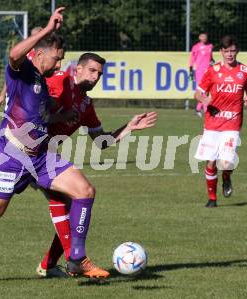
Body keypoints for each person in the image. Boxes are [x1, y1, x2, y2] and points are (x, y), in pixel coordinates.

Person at [0, 7, 110, 285]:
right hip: (11, 156)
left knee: (85, 190)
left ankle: (77, 257)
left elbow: (43, 114)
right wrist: (48, 30)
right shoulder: (22, 71)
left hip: (39, 157)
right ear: (39, 54)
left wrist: (60, 115)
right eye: (57, 59)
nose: (60, 65)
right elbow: (14, 55)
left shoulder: (41, 79)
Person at [35, 52, 158, 277]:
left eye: (99, 74)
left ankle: (51, 264)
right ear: (77, 69)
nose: (95, 77)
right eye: (92, 71)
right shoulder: (58, 81)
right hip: (24, 152)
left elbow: (102, 141)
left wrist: (129, 127)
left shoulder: (85, 104)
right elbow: (34, 108)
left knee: (71, 205)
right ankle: (72, 260)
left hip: (45, 155)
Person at [194, 35, 247, 208]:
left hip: (232, 122)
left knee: (226, 163)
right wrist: (204, 101)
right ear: (220, 52)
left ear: (237, 51)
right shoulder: (212, 71)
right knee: (211, 161)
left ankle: (226, 176)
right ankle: (212, 199)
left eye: (233, 51)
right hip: (212, 122)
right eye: (226, 51)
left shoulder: (246, 71)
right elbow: (198, 93)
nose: (229, 54)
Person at [0, 26, 43, 108]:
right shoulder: (23, 55)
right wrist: (2, 94)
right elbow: (11, 75)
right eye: (34, 36)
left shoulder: (46, 55)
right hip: (18, 96)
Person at [189, 32, 214, 117]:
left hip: (208, 71)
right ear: (199, 37)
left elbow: (211, 57)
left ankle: (198, 109)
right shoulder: (196, 47)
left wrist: (212, 61)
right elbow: (192, 59)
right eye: (202, 36)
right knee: (202, 90)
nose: (204, 38)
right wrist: (191, 69)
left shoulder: (210, 46)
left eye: (205, 36)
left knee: (206, 90)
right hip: (199, 71)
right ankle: (206, 110)